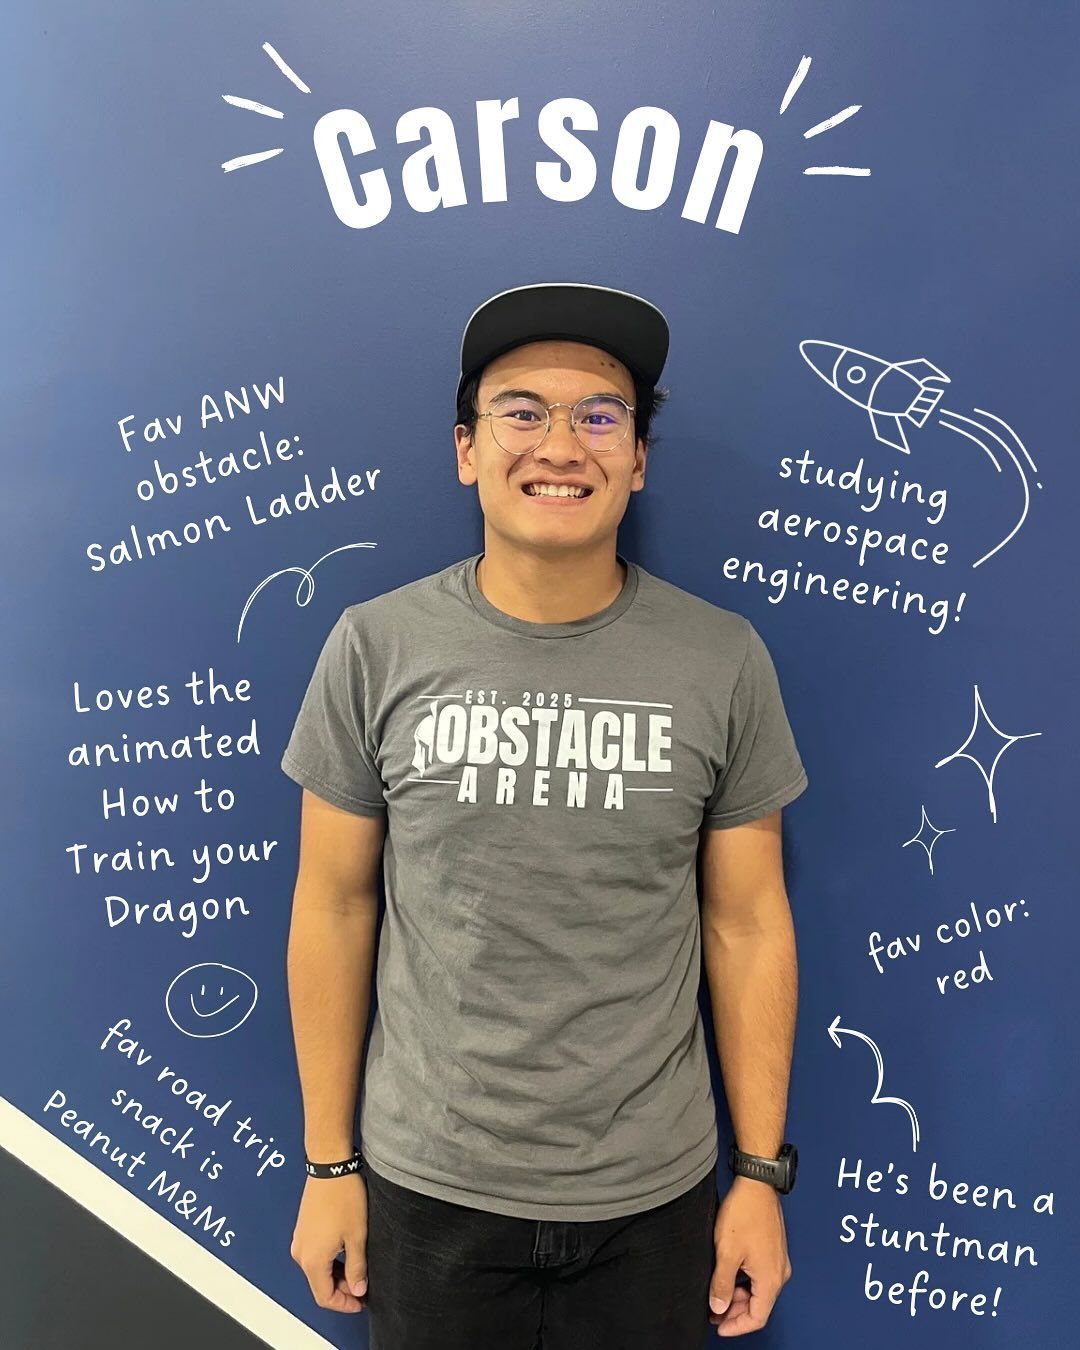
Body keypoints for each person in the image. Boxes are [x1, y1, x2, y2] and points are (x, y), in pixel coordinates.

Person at [281, 282, 809, 1348]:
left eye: (600, 415)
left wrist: (757, 1176)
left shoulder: (723, 659)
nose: (561, 444)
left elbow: (748, 923)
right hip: (427, 1190)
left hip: (654, 1203)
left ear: (640, 460)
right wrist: (328, 1165)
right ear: (467, 450)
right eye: (522, 411)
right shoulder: (373, 647)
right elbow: (333, 906)